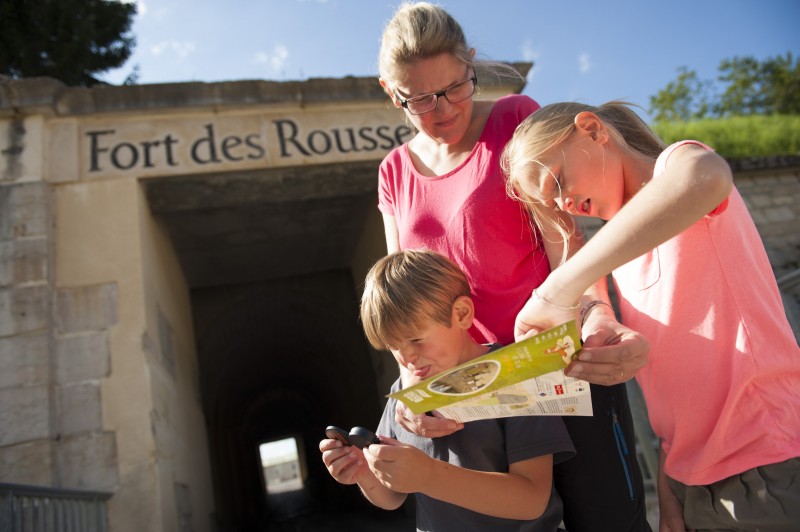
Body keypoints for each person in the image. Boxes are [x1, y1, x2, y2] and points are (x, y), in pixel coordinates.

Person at [375, 3, 652, 530]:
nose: (446, 108)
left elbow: (566, 242)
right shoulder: (393, 173)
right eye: (421, 99)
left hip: (562, 367)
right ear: (393, 94)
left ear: (471, 65)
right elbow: (401, 303)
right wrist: (412, 392)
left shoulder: (515, 118)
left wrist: (598, 314)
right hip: (477, 397)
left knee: (609, 520)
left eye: (458, 86)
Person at [502, 100, 800, 531]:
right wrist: (670, 485)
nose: (566, 204)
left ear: (592, 130)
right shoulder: (623, 253)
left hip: (767, 461)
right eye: (554, 203)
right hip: (694, 483)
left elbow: (706, 175)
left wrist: (556, 288)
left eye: (558, 181)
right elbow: (675, 393)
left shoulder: (676, 165)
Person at [320, 249, 576, 531]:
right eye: (394, 347)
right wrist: (363, 473)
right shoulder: (404, 396)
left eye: (416, 339)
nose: (407, 358)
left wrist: (429, 476)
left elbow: (533, 499)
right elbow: (392, 498)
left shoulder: (516, 374)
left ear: (462, 314)